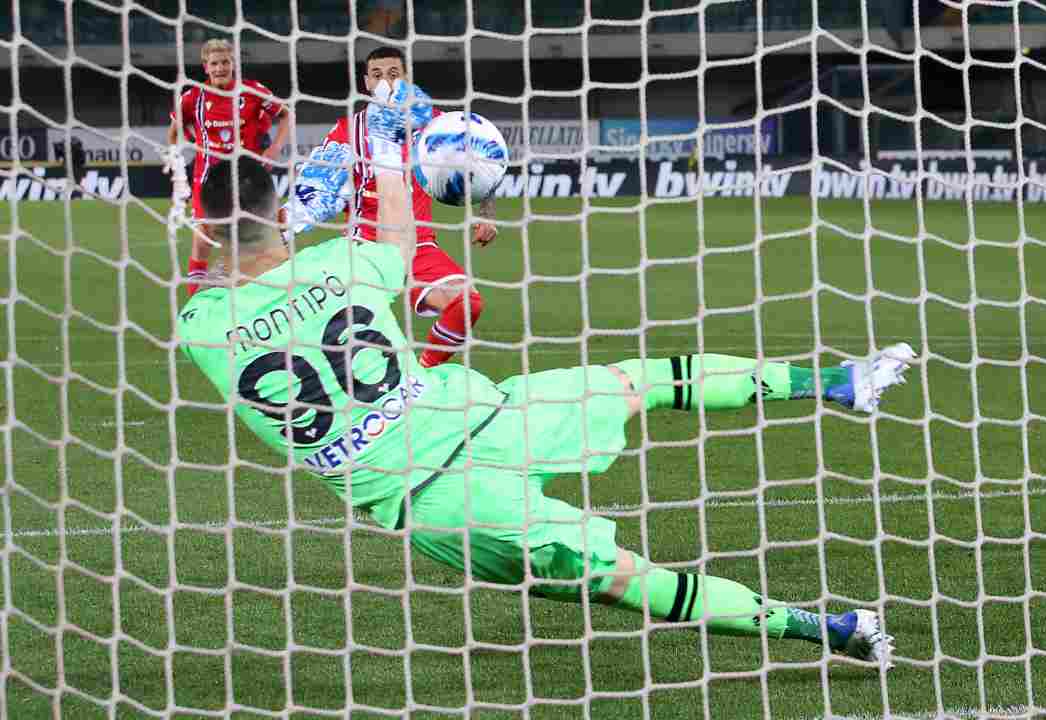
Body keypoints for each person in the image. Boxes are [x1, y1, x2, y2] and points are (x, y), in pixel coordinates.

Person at [178, 80, 911, 665]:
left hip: (440, 496)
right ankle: (833, 398)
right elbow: (397, 229)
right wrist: (385, 138)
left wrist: (236, 237)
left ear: (206, 231)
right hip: (479, 422)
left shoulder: (200, 331)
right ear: (278, 211)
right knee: (643, 380)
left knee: (629, 579)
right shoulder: (341, 263)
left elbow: (226, 279)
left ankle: (827, 623)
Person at [288, 46, 497, 369]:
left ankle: (424, 373)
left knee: (467, 303)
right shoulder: (348, 130)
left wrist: (486, 214)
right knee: (334, 336)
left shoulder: (435, 125)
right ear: (366, 84)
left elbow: (485, 163)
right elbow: (315, 188)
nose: (385, 81)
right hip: (363, 250)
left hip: (418, 247)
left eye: (393, 74)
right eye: (377, 75)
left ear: (406, 80)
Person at [163, 38, 291, 296]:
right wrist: (178, 166)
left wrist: (275, 147)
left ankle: (281, 292)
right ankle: (195, 305)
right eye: (215, 63)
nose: (220, 68)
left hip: (249, 179)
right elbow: (174, 132)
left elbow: (286, 114)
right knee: (203, 240)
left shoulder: (252, 91)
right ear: (205, 67)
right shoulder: (193, 98)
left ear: (234, 63)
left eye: (225, 62)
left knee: (273, 232)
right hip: (209, 180)